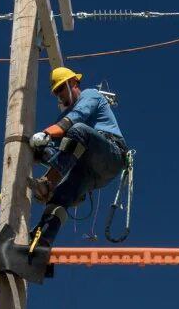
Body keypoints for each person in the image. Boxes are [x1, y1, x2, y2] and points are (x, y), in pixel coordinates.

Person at [28, 67, 128, 247]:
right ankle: (40, 243)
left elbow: (75, 118)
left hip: (110, 155)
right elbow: (58, 148)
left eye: (60, 88)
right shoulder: (64, 116)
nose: (59, 95)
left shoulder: (90, 95)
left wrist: (46, 133)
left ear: (73, 83)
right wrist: (39, 148)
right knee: (58, 198)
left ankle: (48, 182)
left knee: (77, 130)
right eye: (55, 92)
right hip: (89, 171)